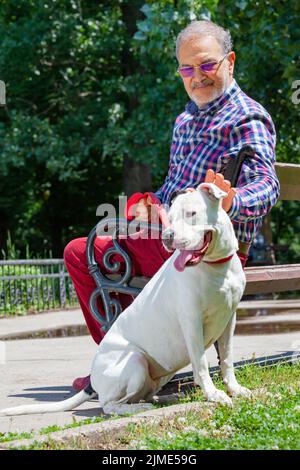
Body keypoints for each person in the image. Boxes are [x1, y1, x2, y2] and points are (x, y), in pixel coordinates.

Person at [64, 20, 280, 391]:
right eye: (187, 68)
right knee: (97, 245)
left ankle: (116, 359)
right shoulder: (185, 121)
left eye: (207, 65)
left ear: (230, 62)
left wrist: (232, 200)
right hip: (174, 237)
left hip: (212, 253)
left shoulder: (247, 117)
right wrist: (150, 205)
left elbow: (268, 184)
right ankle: (122, 361)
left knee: (80, 252)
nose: (197, 77)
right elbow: (172, 189)